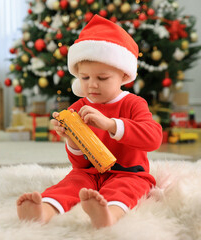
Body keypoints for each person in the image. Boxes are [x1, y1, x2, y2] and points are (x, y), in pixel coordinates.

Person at [16, 15, 163, 228]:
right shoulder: (77, 108)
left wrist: (111, 125)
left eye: (102, 78)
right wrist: (72, 140)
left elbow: (154, 138)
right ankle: (44, 210)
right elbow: (80, 164)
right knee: (72, 182)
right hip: (89, 172)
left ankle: (109, 214)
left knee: (127, 188)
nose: (92, 85)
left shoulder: (134, 103)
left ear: (123, 76)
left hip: (129, 172)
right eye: (84, 78)